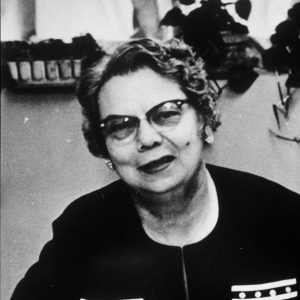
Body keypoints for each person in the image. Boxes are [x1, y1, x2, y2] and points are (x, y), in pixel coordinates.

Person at [11, 39, 299, 300]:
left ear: (203, 120)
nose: (147, 139)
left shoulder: (284, 216)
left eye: (167, 114)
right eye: (121, 126)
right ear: (104, 148)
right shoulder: (82, 230)